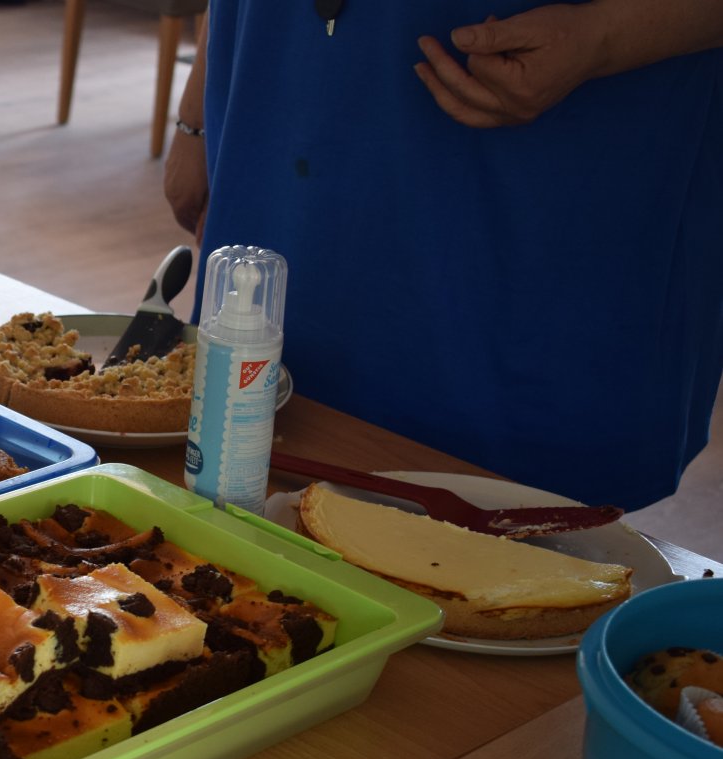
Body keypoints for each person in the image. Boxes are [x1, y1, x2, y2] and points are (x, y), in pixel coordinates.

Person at [164, 2, 723, 509]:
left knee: (517, 520)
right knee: (249, 440)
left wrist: (603, 36)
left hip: (553, 140)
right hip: (282, 85)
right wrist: (196, 120)